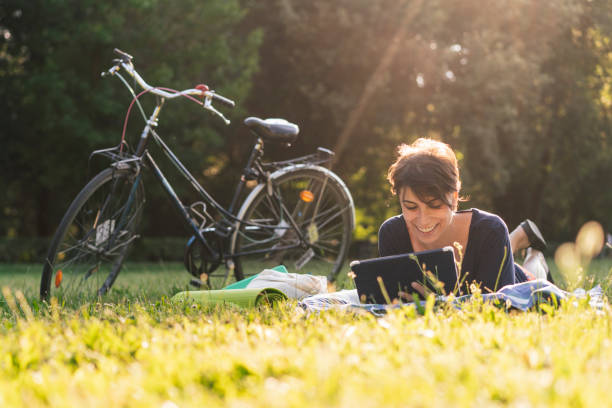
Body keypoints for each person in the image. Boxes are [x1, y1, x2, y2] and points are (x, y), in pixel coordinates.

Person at [378, 138, 550, 295]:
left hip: (521, 280)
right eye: (410, 206)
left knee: (534, 276)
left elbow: (502, 306)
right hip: (491, 257)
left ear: (453, 198)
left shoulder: (490, 230)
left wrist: (443, 305)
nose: (423, 219)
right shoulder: (392, 234)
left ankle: (534, 255)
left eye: (434, 205)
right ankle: (518, 236)